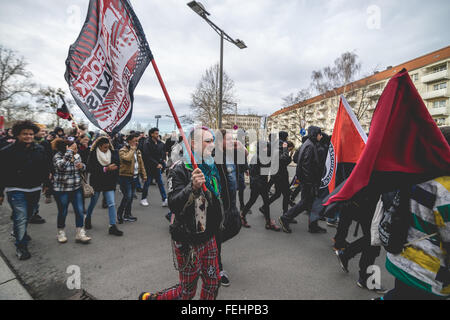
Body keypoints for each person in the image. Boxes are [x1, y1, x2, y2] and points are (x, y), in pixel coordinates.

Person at [139, 126, 222, 300]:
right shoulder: (179, 168)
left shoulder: (212, 167)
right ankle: (153, 299)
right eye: (208, 141)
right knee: (187, 292)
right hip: (188, 240)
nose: (213, 145)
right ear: (193, 144)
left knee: (213, 283)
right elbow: (174, 204)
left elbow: (218, 199)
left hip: (209, 237)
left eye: (213, 140)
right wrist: (191, 187)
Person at [0, 120, 51, 260]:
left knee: (29, 215)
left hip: (34, 189)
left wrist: (47, 185)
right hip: (15, 189)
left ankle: (18, 230)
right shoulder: (6, 151)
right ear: (17, 135)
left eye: (30, 134)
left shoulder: (40, 149)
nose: (28, 136)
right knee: (21, 216)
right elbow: (2, 173)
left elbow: (45, 168)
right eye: (25, 134)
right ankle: (21, 246)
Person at [279, 126, 325, 234]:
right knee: (305, 203)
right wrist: (310, 182)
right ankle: (285, 218)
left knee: (310, 203)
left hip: (306, 180)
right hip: (308, 181)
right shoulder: (310, 146)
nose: (321, 136)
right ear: (315, 134)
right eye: (320, 134)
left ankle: (313, 225)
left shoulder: (308, 143)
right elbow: (306, 165)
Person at [215, 129, 243, 287]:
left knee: (236, 227)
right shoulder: (214, 157)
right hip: (221, 205)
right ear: (220, 141)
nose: (233, 141)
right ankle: (217, 267)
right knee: (216, 235)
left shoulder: (231, 154)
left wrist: (239, 147)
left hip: (232, 203)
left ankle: (207, 247)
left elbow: (245, 159)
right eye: (229, 139)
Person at [52, 137, 91, 244]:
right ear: (67, 148)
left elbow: (83, 168)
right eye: (74, 148)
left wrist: (82, 166)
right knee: (63, 211)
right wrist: (69, 153)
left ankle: (80, 233)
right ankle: (61, 232)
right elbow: (61, 166)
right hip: (62, 189)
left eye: (76, 148)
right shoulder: (58, 156)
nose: (76, 150)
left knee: (79, 211)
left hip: (76, 188)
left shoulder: (77, 156)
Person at [85, 137, 123, 236]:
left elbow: (118, 164)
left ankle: (112, 226)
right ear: (99, 146)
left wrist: (114, 168)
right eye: (104, 147)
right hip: (97, 182)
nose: (107, 149)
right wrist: (105, 169)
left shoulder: (113, 153)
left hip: (109, 182)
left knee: (111, 203)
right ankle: (87, 218)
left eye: (108, 147)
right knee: (93, 203)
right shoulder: (93, 154)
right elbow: (90, 168)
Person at [241, 140, 281, 231]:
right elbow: (256, 171)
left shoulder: (258, 156)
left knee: (263, 202)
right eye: (266, 147)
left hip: (259, 183)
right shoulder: (260, 157)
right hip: (258, 184)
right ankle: (244, 216)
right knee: (255, 201)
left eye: (267, 146)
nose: (267, 148)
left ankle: (267, 222)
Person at [117, 133, 147, 224]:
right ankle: (119, 214)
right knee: (127, 196)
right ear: (129, 141)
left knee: (130, 198)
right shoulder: (123, 150)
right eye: (135, 141)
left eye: (137, 141)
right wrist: (132, 149)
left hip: (134, 177)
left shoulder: (138, 151)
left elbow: (141, 164)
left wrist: (144, 175)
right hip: (125, 177)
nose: (137, 143)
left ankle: (127, 214)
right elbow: (127, 159)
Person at [264, 132, 292, 216]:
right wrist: (287, 153)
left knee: (277, 194)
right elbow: (283, 160)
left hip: (275, 172)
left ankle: (264, 206)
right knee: (286, 194)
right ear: (285, 137)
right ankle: (286, 215)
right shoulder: (283, 145)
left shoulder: (273, 144)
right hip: (281, 173)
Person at [141, 128, 168, 207]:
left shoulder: (160, 143)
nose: (157, 135)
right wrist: (156, 163)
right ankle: (143, 198)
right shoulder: (147, 143)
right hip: (149, 167)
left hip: (157, 167)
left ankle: (164, 199)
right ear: (151, 134)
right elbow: (147, 155)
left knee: (160, 183)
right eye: (156, 133)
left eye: (157, 133)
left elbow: (162, 153)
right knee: (147, 183)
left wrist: (162, 161)